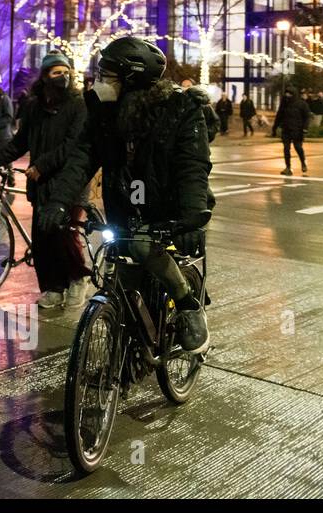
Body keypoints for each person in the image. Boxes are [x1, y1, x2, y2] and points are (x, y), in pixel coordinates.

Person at [41, 37, 213, 352]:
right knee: (116, 267)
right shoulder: (104, 112)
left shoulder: (180, 109)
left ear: (131, 79)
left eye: (107, 76)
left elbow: (193, 169)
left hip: (171, 210)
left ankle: (188, 306)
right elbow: (82, 158)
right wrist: (58, 200)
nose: (100, 82)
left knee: (143, 249)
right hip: (125, 205)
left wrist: (193, 221)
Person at [0, 53, 91, 308]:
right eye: (57, 72)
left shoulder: (78, 104)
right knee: (42, 239)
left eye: (66, 72)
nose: (63, 77)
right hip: (42, 186)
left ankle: (77, 279)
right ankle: (52, 287)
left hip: (69, 184)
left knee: (65, 236)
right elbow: (21, 142)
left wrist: (41, 166)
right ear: (45, 76)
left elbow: (73, 144)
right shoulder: (35, 107)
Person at [273, 86, 311, 175]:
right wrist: (274, 128)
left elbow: (307, 117)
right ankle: (288, 167)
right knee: (286, 149)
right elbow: (279, 116)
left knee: (298, 147)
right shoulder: (284, 104)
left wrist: (305, 128)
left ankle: (303, 163)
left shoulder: (302, 104)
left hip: (297, 130)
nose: (287, 95)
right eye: (286, 93)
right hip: (286, 129)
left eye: (289, 93)